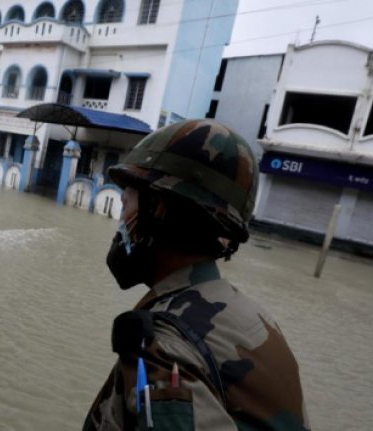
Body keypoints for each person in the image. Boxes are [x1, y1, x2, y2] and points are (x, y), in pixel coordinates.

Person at [83, 119, 308, 430]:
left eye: (126, 203)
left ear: (157, 207)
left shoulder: (164, 352)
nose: (122, 221)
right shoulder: (255, 319)